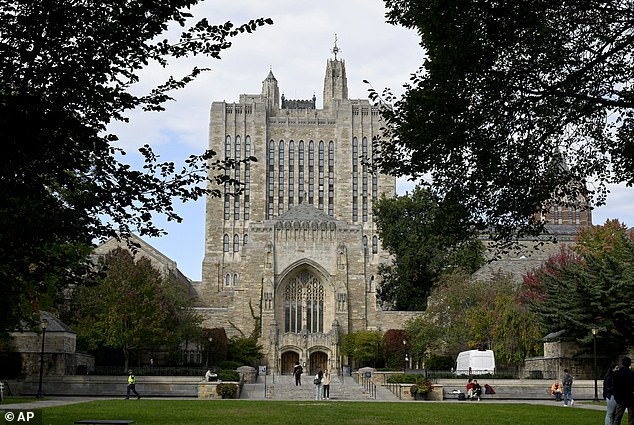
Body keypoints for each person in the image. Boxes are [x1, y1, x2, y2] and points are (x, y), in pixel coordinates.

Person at [613, 357, 634, 425]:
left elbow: (615, 387)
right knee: (631, 418)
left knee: (617, 418)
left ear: (622, 363)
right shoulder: (631, 374)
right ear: (629, 364)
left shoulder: (617, 374)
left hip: (620, 398)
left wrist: (616, 397)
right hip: (630, 398)